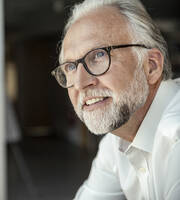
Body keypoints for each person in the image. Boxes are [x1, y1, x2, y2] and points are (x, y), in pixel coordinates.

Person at [51, 0, 180, 199]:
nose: (80, 83)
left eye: (98, 55)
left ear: (151, 66)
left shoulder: (175, 137)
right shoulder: (117, 141)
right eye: (70, 67)